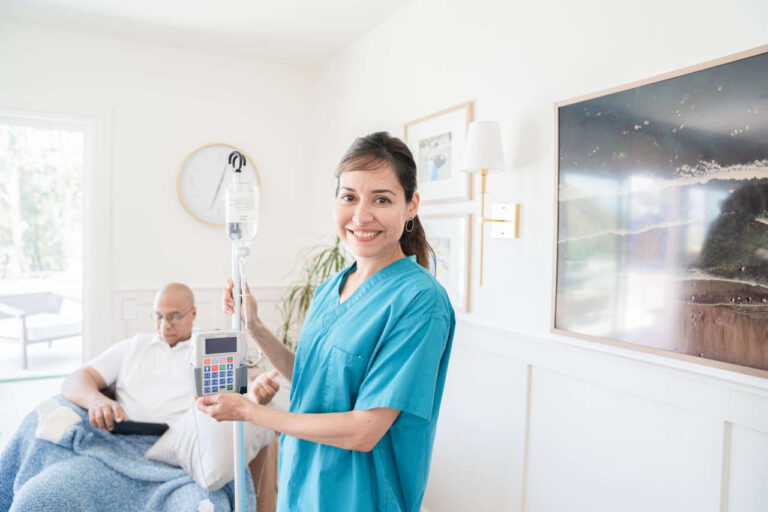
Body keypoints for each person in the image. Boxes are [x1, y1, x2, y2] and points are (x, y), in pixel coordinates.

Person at [196, 132, 456, 511]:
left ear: (411, 205)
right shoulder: (333, 286)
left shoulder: (420, 302)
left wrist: (251, 412)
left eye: (381, 199)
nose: (361, 215)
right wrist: (255, 326)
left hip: (357, 497)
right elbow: (312, 378)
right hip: (303, 483)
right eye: (349, 197)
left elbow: (365, 430)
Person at [61, 282, 280, 429]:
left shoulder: (210, 347)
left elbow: (235, 393)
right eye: (158, 317)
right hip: (126, 438)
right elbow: (75, 380)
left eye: (174, 317)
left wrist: (254, 393)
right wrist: (95, 400)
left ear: (193, 314)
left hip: (181, 447)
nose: (164, 326)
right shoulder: (134, 346)